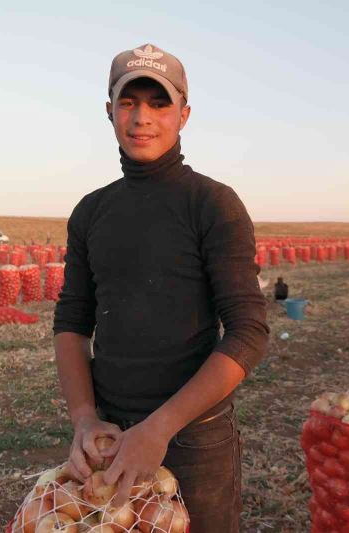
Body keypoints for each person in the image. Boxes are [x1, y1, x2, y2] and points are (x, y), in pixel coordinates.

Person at [53, 43, 269, 533]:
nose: (141, 118)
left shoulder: (212, 204)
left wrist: (161, 427)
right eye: (128, 103)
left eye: (159, 103)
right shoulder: (92, 211)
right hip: (108, 437)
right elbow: (71, 320)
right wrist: (85, 419)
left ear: (184, 114)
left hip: (194, 440)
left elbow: (248, 331)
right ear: (109, 111)